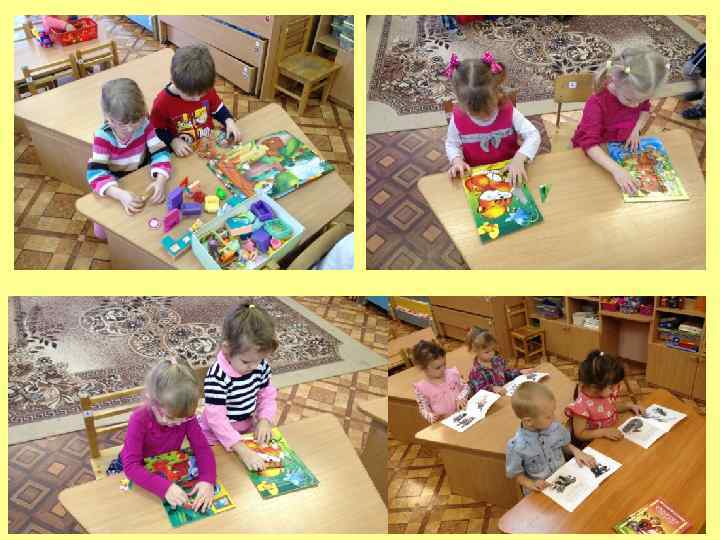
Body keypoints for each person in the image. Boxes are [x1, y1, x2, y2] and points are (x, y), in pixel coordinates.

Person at [117, 357, 216, 512]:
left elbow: (202, 447)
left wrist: (208, 479)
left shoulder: (186, 417)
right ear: (152, 401)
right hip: (137, 468)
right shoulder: (139, 419)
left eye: (184, 419)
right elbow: (131, 466)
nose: (178, 423)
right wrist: (164, 487)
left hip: (166, 462)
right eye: (170, 417)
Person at [571, 48, 669, 195]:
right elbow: (589, 144)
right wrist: (617, 170)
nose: (636, 105)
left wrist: (636, 130)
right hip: (594, 152)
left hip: (620, 146)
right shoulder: (596, 103)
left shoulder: (635, 92)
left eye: (641, 100)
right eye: (630, 100)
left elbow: (645, 110)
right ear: (615, 80)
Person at [199, 300, 279, 471]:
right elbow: (216, 419)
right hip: (215, 436)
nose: (255, 367)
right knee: (226, 471)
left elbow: (267, 395)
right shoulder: (217, 377)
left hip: (246, 428)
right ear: (227, 350)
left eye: (260, 360)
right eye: (246, 362)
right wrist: (241, 449)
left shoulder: (259, 366)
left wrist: (264, 420)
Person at [87, 78, 171, 238]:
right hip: (113, 184)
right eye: (123, 124)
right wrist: (120, 194)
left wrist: (161, 180)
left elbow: (160, 151)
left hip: (139, 176)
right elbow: (96, 174)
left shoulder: (145, 124)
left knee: (141, 224)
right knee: (101, 233)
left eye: (136, 121)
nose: (131, 128)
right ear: (108, 118)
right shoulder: (102, 137)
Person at [445, 52, 540, 184]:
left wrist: (519, 159)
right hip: (476, 172)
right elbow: (452, 144)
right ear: (461, 104)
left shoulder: (508, 111)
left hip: (510, 167)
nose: (484, 118)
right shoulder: (458, 118)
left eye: (488, 111)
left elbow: (533, 135)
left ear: (498, 95)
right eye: (475, 114)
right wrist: (457, 161)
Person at [151, 45, 242, 157]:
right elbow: (157, 130)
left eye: (202, 94)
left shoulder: (203, 88)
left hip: (207, 143)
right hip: (183, 151)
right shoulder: (161, 103)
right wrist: (172, 141)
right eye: (191, 96)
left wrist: (229, 121)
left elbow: (218, 109)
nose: (197, 99)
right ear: (174, 82)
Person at [506, 381, 596, 494]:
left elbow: (564, 444)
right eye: (548, 416)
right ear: (528, 421)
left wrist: (577, 452)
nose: (555, 418)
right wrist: (532, 484)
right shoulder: (516, 447)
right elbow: (517, 475)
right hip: (540, 493)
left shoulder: (554, 427)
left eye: (553, 412)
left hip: (564, 481)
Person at [565, 350, 645, 446]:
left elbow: (611, 407)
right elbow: (580, 434)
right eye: (611, 387)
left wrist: (629, 406)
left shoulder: (605, 392)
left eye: (617, 385)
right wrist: (603, 432)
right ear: (594, 387)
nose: (616, 389)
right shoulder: (581, 406)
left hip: (611, 433)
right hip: (593, 444)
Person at [412, 340, 470, 423]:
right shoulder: (421, 388)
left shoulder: (453, 373)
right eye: (438, 367)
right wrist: (431, 416)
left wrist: (461, 397)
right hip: (444, 423)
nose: (443, 369)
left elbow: (466, 387)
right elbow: (423, 408)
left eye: (444, 364)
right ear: (423, 368)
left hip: (464, 414)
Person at [465, 326, 533, 394]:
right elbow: (479, 391)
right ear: (475, 351)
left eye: (493, 349)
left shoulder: (497, 359)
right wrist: (493, 388)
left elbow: (506, 373)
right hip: (493, 398)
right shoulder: (475, 372)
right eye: (487, 352)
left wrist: (520, 372)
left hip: (505, 391)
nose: (491, 353)